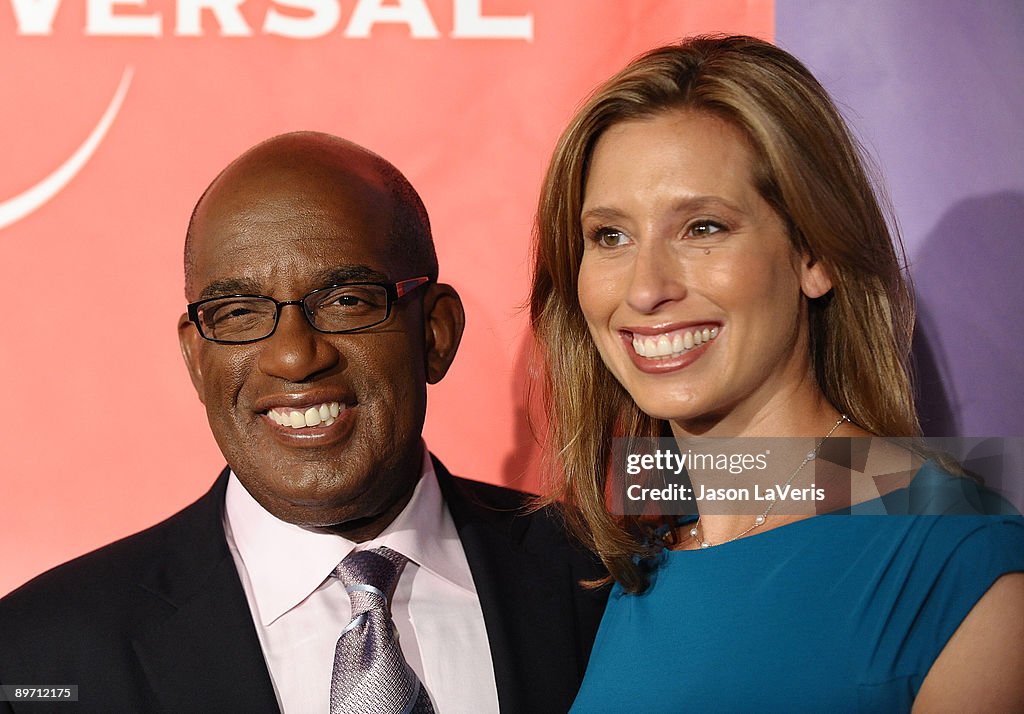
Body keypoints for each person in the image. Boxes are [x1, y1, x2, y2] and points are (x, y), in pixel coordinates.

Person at [0, 131, 606, 713]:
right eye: (237, 312)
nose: (294, 355)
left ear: (435, 332)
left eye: (347, 300)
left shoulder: (610, 585)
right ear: (195, 357)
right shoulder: (39, 652)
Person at [529, 35, 1024, 710]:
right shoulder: (628, 559)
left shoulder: (954, 559)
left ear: (814, 253)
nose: (645, 289)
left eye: (703, 228)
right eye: (610, 236)